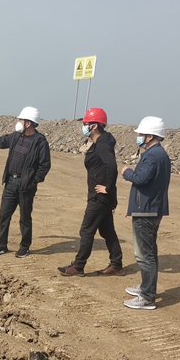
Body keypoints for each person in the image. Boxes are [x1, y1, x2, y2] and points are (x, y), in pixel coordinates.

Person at [0, 107, 51, 258]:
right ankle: (1, 245)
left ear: (28, 123)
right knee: (4, 215)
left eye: (21, 120)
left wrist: (34, 181)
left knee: (25, 218)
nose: (19, 122)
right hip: (10, 183)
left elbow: (45, 165)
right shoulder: (16, 137)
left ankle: (24, 247)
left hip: (26, 186)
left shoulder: (40, 142)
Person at [57, 107, 124, 277]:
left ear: (94, 126)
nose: (84, 126)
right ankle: (116, 264)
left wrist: (107, 188)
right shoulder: (99, 142)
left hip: (99, 197)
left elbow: (111, 166)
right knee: (107, 231)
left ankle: (78, 266)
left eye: (86, 123)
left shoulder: (102, 144)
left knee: (86, 231)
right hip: (103, 197)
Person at [121, 116, 171, 309]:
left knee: (144, 255)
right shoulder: (158, 154)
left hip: (146, 211)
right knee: (149, 252)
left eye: (142, 134)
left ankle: (147, 297)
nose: (139, 137)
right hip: (151, 209)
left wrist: (127, 172)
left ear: (150, 136)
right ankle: (145, 287)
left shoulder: (153, 156)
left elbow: (141, 178)